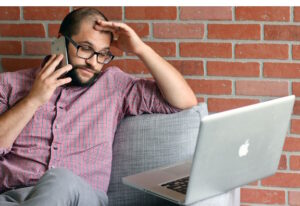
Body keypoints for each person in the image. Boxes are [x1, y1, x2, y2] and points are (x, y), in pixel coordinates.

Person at [0, 7, 197, 206]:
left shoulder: (114, 86)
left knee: (59, 180)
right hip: (11, 198)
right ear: (60, 41)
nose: (93, 62)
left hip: (80, 197)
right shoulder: (9, 84)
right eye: (85, 48)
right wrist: (33, 100)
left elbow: (184, 100)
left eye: (102, 54)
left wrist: (140, 49)